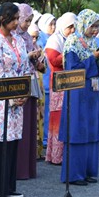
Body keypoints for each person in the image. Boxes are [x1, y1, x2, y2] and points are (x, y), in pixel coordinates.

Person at [0, 2, 28, 197]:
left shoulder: (18, 39)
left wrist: (23, 92)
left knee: (12, 141)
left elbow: (24, 65)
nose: (18, 22)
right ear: (3, 18)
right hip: (0, 98)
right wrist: (10, 96)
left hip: (18, 95)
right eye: (15, 18)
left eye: (19, 18)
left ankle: (9, 186)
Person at [60, 9, 99, 185]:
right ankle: (74, 174)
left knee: (91, 128)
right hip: (77, 92)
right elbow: (72, 71)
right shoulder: (72, 42)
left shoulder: (93, 42)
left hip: (92, 90)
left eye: (97, 26)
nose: (95, 30)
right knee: (77, 129)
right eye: (92, 26)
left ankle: (88, 171)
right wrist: (93, 57)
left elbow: (97, 67)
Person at [15, 3, 44, 179]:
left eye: (30, 21)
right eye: (25, 20)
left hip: (31, 82)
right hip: (19, 85)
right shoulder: (12, 37)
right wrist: (29, 56)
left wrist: (38, 60)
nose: (27, 24)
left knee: (30, 125)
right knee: (21, 127)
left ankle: (28, 167)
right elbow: (15, 60)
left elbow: (36, 63)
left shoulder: (27, 37)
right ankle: (19, 169)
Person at [44, 12, 76, 165]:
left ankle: (66, 154)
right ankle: (56, 155)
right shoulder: (54, 39)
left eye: (74, 28)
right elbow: (54, 60)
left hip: (71, 82)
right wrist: (71, 54)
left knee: (69, 117)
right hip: (58, 83)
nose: (72, 31)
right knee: (58, 118)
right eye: (69, 27)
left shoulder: (71, 40)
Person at [36, 13, 55, 148]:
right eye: (50, 24)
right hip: (42, 81)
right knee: (43, 114)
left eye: (55, 24)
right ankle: (43, 140)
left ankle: (48, 139)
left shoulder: (55, 38)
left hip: (52, 82)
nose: (53, 27)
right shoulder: (40, 38)